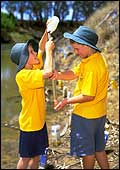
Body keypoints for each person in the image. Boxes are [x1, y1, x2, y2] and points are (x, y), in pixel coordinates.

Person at [50, 26, 109, 169]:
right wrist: (58, 74)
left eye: (77, 49)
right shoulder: (94, 59)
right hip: (99, 114)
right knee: (99, 149)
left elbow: (88, 95)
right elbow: (74, 73)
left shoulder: (91, 67)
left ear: (87, 46)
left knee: (87, 152)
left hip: (85, 116)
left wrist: (66, 101)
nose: (75, 52)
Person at [10, 24, 55, 169]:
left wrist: (47, 31)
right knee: (25, 158)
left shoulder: (33, 67)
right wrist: (50, 51)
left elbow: (41, 48)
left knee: (37, 155)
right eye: (31, 52)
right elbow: (48, 72)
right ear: (24, 58)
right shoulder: (23, 76)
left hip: (40, 121)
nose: (35, 53)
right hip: (29, 125)